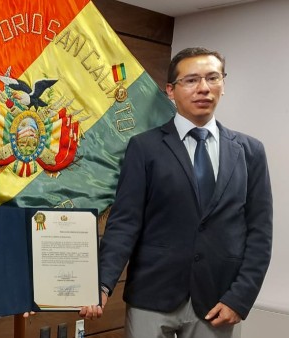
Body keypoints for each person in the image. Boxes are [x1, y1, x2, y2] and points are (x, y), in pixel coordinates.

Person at [80, 47, 272, 338]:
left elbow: (260, 233)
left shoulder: (250, 152)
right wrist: (103, 283)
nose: (204, 88)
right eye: (192, 80)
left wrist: (240, 298)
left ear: (223, 84)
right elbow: (125, 223)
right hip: (152, 295)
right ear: (171, 90)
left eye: (212, 78)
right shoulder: (144, 148)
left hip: (218, 300)